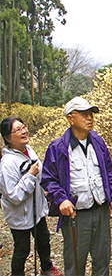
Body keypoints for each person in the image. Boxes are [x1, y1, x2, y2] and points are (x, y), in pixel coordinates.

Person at [41, 97, 112, 276]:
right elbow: (48, 179)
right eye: (84, 114)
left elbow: (107, 170)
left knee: (102, 259)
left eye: (91, 114)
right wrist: (61, 199)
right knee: (75, 263)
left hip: (100, 210)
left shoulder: (98, 142)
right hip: (76, 215)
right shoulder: (58, 147)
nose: (89, 118)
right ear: (70, 118)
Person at [0, 117, 62, 276]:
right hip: (19, 215)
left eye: (24, 127)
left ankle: (47, 268)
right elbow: (13, 196)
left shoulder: (29, 150)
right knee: (22, 249)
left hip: (37, 209)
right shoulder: (7, 163)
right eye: (18, 130)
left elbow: (41, 176)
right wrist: (29, 175)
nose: (24, 131)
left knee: (43, 240)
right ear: (7, 138)